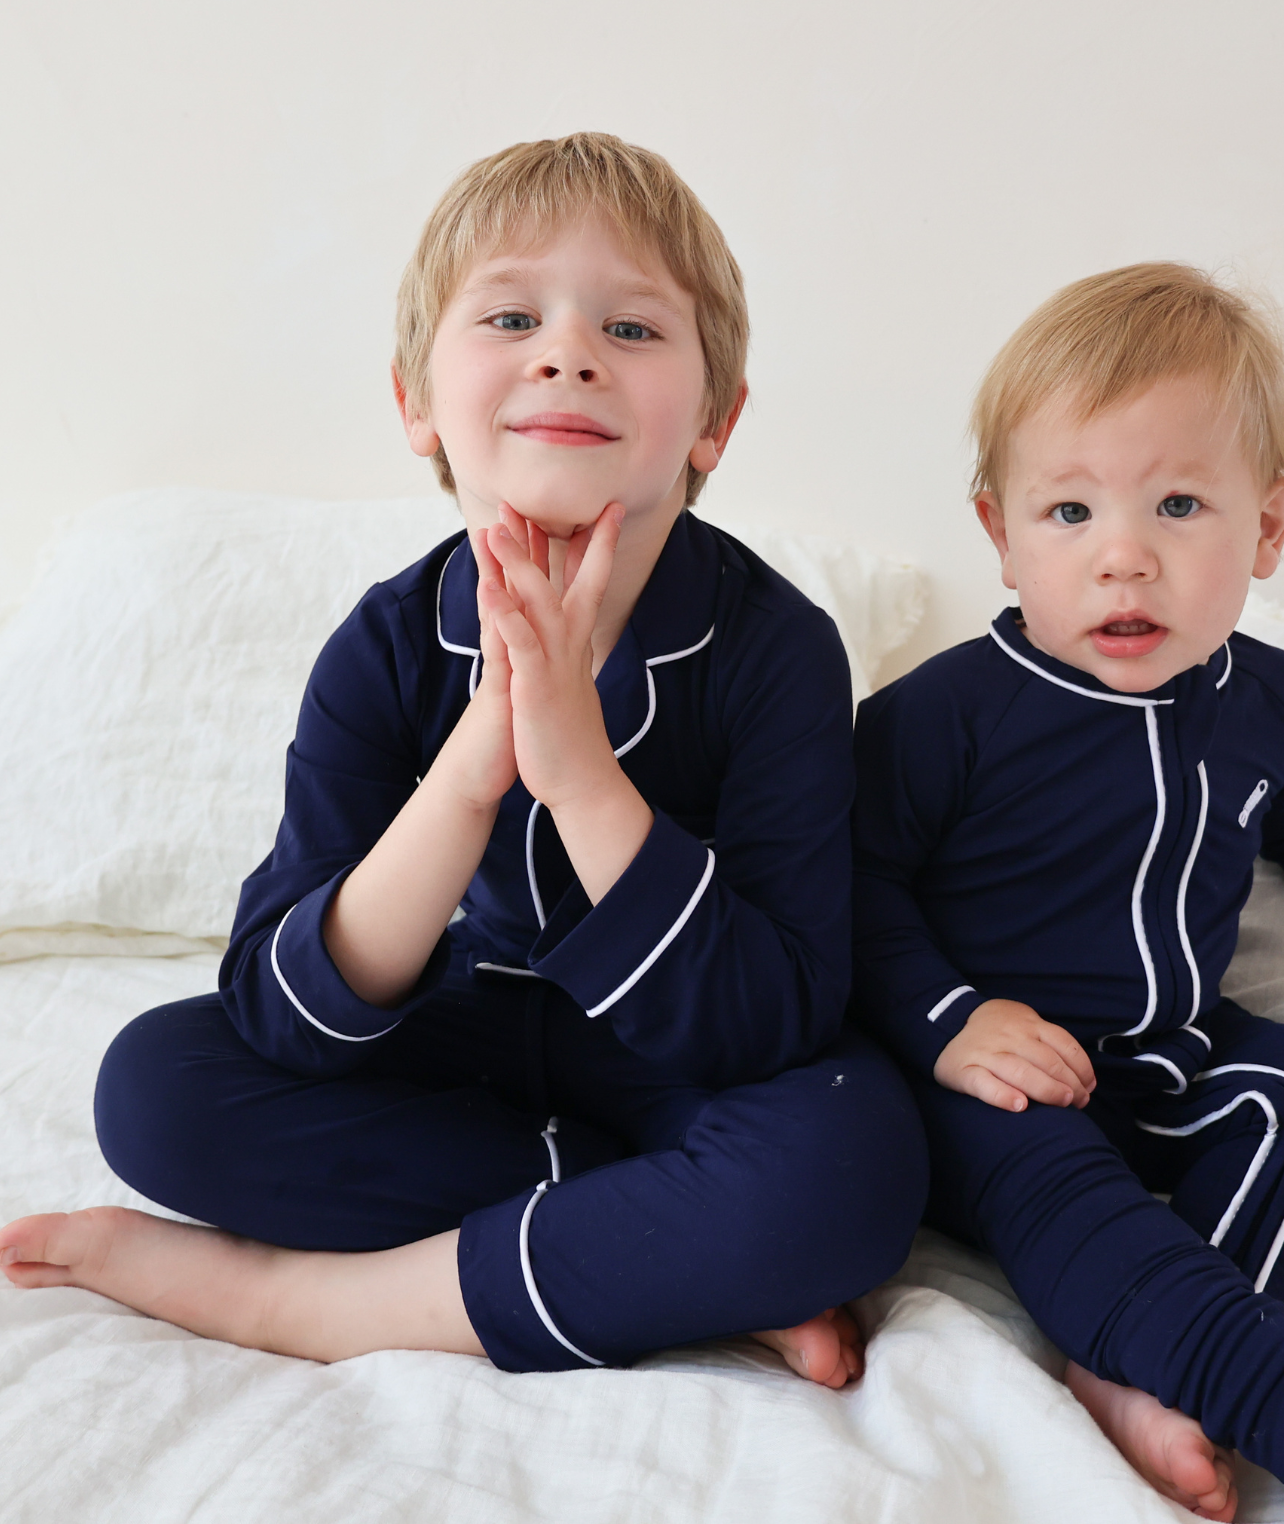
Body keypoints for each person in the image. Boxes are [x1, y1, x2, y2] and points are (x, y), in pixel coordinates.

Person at [0, 133, 926, 1388]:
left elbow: (775, 1018)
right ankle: (654, 1245)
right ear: (416, 403)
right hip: (458, 1050)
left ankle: (298, 1301)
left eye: (632, 329)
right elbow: (279, 1005)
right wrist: (476, 764)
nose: (568, 354)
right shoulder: (386, 644)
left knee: (854, 1162)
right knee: (156, 1086)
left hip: (672, 1067)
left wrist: (581, 774)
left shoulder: (779, 648)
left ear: (715, 421)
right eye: (510, 317)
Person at [850, 263, 1284, 1523]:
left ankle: (1137, 1362)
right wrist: (952, 1023)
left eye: (1177, 504)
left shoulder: (1271, 701)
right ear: (999, 534)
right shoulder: (943, 717)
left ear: (1270, 523)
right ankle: (1215, 1372)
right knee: (1054, 1170)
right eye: (1068, 512)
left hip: (1169, 1053)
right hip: (989, 1075)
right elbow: (850, 887)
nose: (1124, 558)